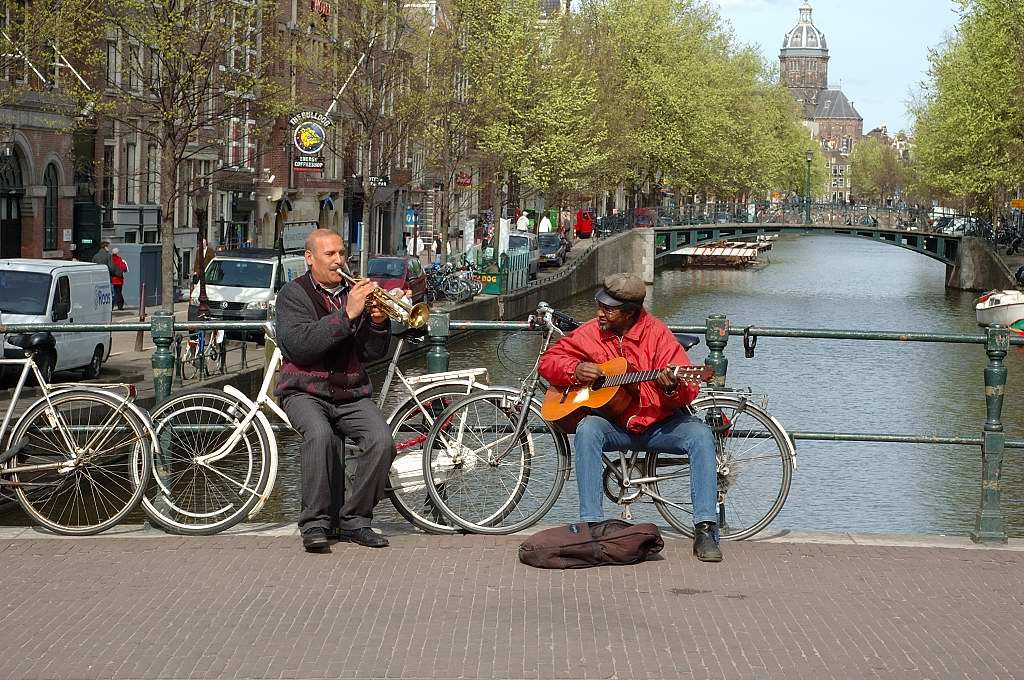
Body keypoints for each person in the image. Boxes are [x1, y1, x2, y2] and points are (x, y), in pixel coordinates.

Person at [538, 273, 723, 563]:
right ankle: (592, 527)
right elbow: (548, 362)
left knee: (700, 435)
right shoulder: (591, 332)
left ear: (630, 313)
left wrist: (673, 387)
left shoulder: (658, 335)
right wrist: (575, 370)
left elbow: (689, 388)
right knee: (587, 428)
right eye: (600, 305)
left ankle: (706, 528)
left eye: (608, 309)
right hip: (616, 424)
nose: (600, 313)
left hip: (659, 424)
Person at [274, 228, 395, 552]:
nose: (339, 260)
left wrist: (379, 323)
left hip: (350, 392)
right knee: (320, 436)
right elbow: (301, 347)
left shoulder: (354, 292)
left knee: (381, 442)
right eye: (330, 254)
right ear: (310, 258)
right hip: (304, 390)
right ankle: (315, 525)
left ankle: (355, 520)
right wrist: (348, 315)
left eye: (342, 253)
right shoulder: (292, 295)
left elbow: (371, 353)